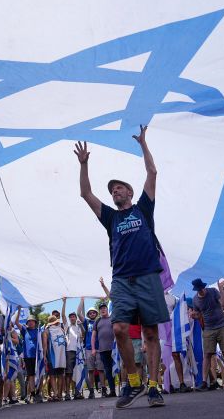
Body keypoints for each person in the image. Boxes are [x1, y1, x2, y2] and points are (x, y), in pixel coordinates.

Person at [74, 124, 168, 408]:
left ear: (128, 192)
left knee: (151, 333)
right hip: (122, 279)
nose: (115, 192)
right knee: (119, 329)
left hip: (148, 277)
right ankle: (134, 381)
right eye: (112, 190)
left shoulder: (143, 208)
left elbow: (152, 173)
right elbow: (86, 194)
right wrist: (84, 164)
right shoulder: (110, 218)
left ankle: (153, 387)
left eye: (119, 188)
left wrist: (143, 144)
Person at [192, 278, 224, 390]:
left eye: (202, 288)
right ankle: (203, 382)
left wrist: (221, 289)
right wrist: (194, 315)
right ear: (196, 289)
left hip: (222, 325)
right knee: (207, 354)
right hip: (208, 328)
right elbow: (198, 314)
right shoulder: (195, 300)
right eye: (199, 289)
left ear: (203, 286)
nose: (201, 290)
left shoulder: (212, 291)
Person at [77, 298, 103, 399]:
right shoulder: (86, 322)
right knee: (91, 370)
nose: (92, 314)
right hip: (88, 348)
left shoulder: (100, 321)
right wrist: (82, 300)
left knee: (101, 370)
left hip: (100, 348)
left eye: (93, 312)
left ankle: (103, 389)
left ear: (96, 313)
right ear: (88, 315)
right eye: (90, 313)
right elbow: (78, 313)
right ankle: (91, 391)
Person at [91, 302, 117, 397]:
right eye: (101, 308)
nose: (103, 310)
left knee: (118, 369)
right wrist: (93, 348)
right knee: (108, 370)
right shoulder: (97, 322)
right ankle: (113, 391)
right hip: (103, 350)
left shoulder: (113, 319)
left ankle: (123, 389)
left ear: (107, 309)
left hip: (114, 349)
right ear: (100, 310)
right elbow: (93, 337)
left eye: (104, 308)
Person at [15, 309, 40, 402]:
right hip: (28, 356)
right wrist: (19, 310)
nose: (30, 323)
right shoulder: (25, 330)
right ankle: (32, 394)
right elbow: (16, 322)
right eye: (28, 321)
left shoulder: (39, 331)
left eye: (32, 321)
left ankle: (37, 393)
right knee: (31, 375)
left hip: (37, 356)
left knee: (38, 375)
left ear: (35, 322)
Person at [62, 297, 84, 399]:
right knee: (69, 373)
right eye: (70, 317)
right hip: (69, 352)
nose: (72, 318)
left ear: (76, 318)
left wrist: (82, 326)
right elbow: (62, 315)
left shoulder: (79, 327)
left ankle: (77, 393)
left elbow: (83, 335)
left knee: (78, 372)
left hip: (79, 352)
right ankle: (67, 393)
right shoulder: (67, 327)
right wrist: (64, 302)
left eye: (73, 317)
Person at [44, 315, 67, 401]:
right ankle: (60, 395)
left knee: (52, 376)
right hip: (61, 356)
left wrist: (44, 356)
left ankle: (56, 394)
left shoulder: (46, 331)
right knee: (60, 375)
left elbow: (45, 345)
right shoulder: (61, 330)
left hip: (52, 357)